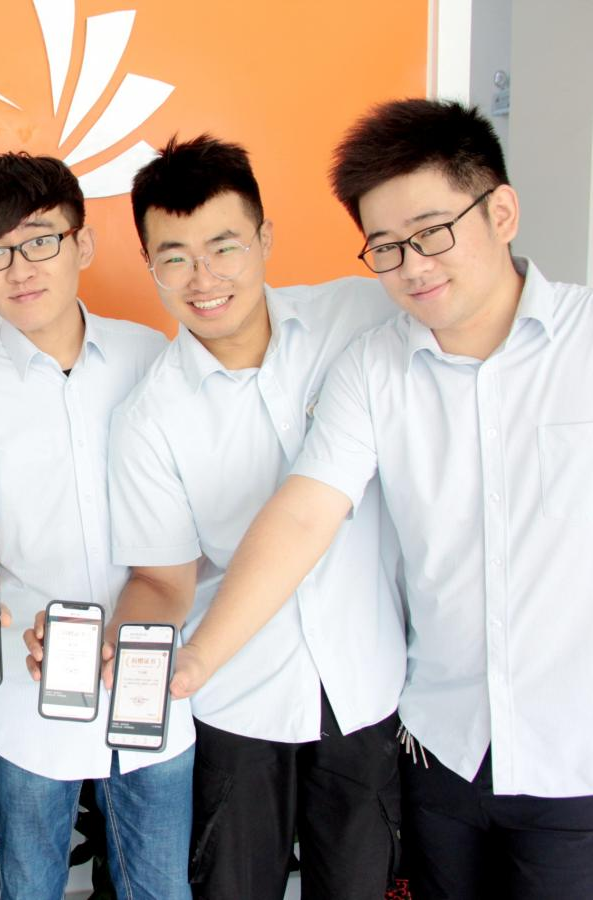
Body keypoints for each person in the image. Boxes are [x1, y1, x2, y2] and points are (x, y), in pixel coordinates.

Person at [170, 99, 593, 899]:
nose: (412, 266)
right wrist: (198, 656)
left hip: (575, 763)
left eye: (432, 232)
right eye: (386, 247)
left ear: (500, 212)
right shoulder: (373, 367)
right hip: (443, 753)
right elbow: (304, 513)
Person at [113, 134, 405, 900]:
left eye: (224, 247)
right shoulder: (149, 418)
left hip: (366, 688)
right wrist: (129, 649)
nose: (203, 278)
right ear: (149, 265)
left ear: (265, 238)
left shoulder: (360, 315)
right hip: (235, 702)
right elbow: (162, 580)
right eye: (174, 258)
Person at [0, 151, 194, 899]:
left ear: (83, 243)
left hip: (151, 678)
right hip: (28, 688)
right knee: (31, 886)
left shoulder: (149, 356)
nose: (20, 268)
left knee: (160, 888)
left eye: (40, 240)